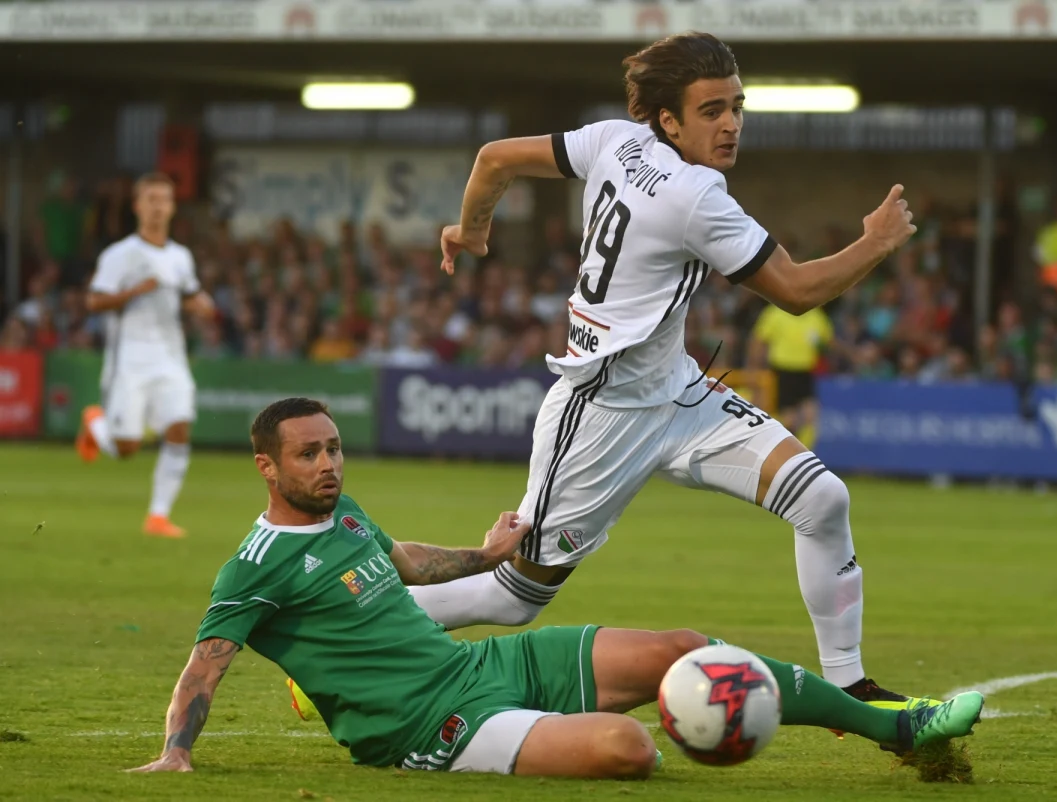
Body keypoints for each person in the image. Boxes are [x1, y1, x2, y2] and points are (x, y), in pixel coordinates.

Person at [420, 32, 921, 706]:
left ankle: (851, 689)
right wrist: (876, 242)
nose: (731, 125)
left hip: (679, 395)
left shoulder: (610, 141)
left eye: (737, 107)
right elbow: (797, 292)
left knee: (823, 498)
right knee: (512, 598)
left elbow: (494, 159)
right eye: (711, 111)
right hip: (601, 414)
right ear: (668, 120)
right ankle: (359, 638)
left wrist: (472, 228)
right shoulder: (693, 196)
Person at [128, 398, 985, 778]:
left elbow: (403, 562)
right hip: (433, 726)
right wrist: (178, 750)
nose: (329, 463)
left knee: (686, 651)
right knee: (628, 748)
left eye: (334, 448)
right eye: (309, 454)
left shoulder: (343, 513)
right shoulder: (254, 565)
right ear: (266, 466)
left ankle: (894, 727)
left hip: (473, 673)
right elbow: (203, 667)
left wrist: (484, 552)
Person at [75, 172, 215, 538]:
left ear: (171, 207)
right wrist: (134, 291)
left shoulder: (180, 257)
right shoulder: (120, 255)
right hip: (129, 362)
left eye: (163, 200)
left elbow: (190, 294)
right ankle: (94, 422)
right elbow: (93, 300)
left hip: (171, 358)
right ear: (137, 206)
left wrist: (203, 306)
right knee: (126, 448)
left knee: (180, 427)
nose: (157, 207)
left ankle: (157, 516)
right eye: (150, 199)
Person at [749, 303, 834, 447]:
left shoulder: (816, 315)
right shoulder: (775, 313)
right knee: (789, 419)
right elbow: (758, 341)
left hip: (805, 372)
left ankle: (806, 455)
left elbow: (828, 343)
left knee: (810, 415)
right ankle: (782, 453)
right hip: (782, 371)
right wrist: (755, 367)